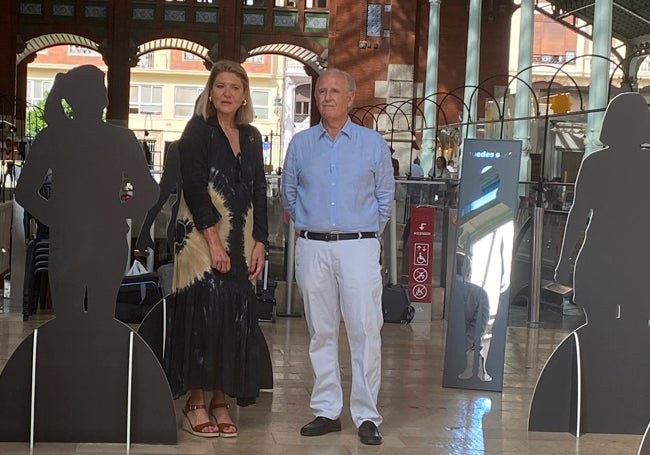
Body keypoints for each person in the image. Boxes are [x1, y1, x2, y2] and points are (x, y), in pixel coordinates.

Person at [281, 68, 395, 446]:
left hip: (359, 246)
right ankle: (327, 410)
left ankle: (366, 415)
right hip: (312, 245)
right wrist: (306, 224)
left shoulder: (372, 143)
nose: (326, 97)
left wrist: (363, 233)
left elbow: (384, 198)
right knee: (321, 332)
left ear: (351, 97)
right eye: (320, 92)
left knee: (364, 330)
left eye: (334, 91)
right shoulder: (300, 144)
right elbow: (289, 192)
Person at [164, 59, 268, 438]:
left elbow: (260, 190)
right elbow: (193, 187)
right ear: (211, 92)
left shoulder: (253, 136)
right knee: (203, 316)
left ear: (244, 95)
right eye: (220, 86)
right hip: (200, 239)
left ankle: (220, 399)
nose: (227, 93)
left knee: (234, 318)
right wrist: (214, 243)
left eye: (234, 87)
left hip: (242, 239)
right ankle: (194, 401)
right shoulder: (197, 131)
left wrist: (261, 243)